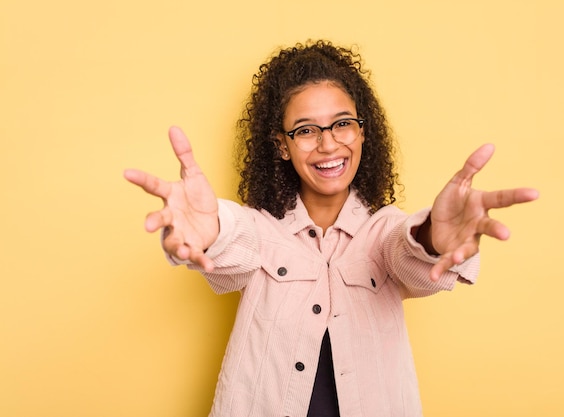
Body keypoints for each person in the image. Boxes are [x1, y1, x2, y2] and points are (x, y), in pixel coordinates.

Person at [124, 40, 538, 417]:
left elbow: (408, 250)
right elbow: (234, 239)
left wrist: (434, 237)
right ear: (282, 146)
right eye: (305, 130)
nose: (327, 144)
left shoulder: (384, 231)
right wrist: (210, 229)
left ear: (362, 132)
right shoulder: (261, 229)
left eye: (342, 124)